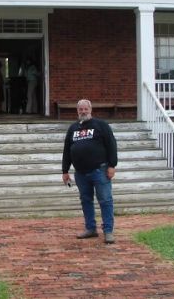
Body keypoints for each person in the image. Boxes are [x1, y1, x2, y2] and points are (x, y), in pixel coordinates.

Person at [62, 99, 118, 244]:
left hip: (100, 170)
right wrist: (65, 170)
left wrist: (112, 165)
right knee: (86, 200)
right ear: (77, 111)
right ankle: (90, 228)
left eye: (85, 109)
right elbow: (67, 150)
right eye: (80, 109)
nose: (83, 111)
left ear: (91, 109)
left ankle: (108, 231)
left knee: (105, 200)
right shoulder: (73, 128)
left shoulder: (101, 125)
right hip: (80, 172)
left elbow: (111, 145)